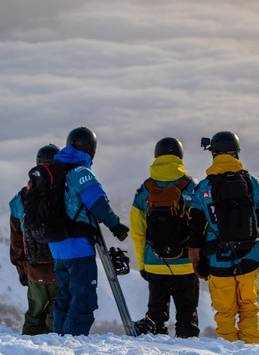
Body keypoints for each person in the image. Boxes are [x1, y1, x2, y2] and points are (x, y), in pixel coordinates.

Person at [188, 131, 259, 344]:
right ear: (236, 153)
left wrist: (196, 259)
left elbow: (195, 227)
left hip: (218, 259)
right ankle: (253, 349)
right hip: (249, 256)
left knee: (225, 313)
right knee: (248, 309)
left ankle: (228, 349)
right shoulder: (252, 183)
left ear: (214, 154)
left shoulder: (204, 188)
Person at [49, 126, 130, 336]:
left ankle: (57, 341)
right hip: (78, 247)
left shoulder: (55, 172)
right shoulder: (80, 173)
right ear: (90, 148)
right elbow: (98, 203)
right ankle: (70, 344)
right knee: (83, 299)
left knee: (64, 297)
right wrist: (116, 226)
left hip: (57, 246)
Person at [130, 137, 200, 338]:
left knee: (155, 316)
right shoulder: (191, 186)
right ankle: (188, 349)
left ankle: (155, 349)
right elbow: (201, 227)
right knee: (187, 314)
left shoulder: (145, 189)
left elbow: (137, 232)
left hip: (155, 263)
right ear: (180, 157)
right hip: (187, 265)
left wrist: (143, 264)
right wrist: (200, 261)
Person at [9, 144, 61, 335]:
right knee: (55, 314)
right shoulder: (63, 194)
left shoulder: (20, 199)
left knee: (34, 314)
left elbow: (16, 240)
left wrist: (21, 270)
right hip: (59, 266)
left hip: (33, 267)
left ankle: (29, 348)